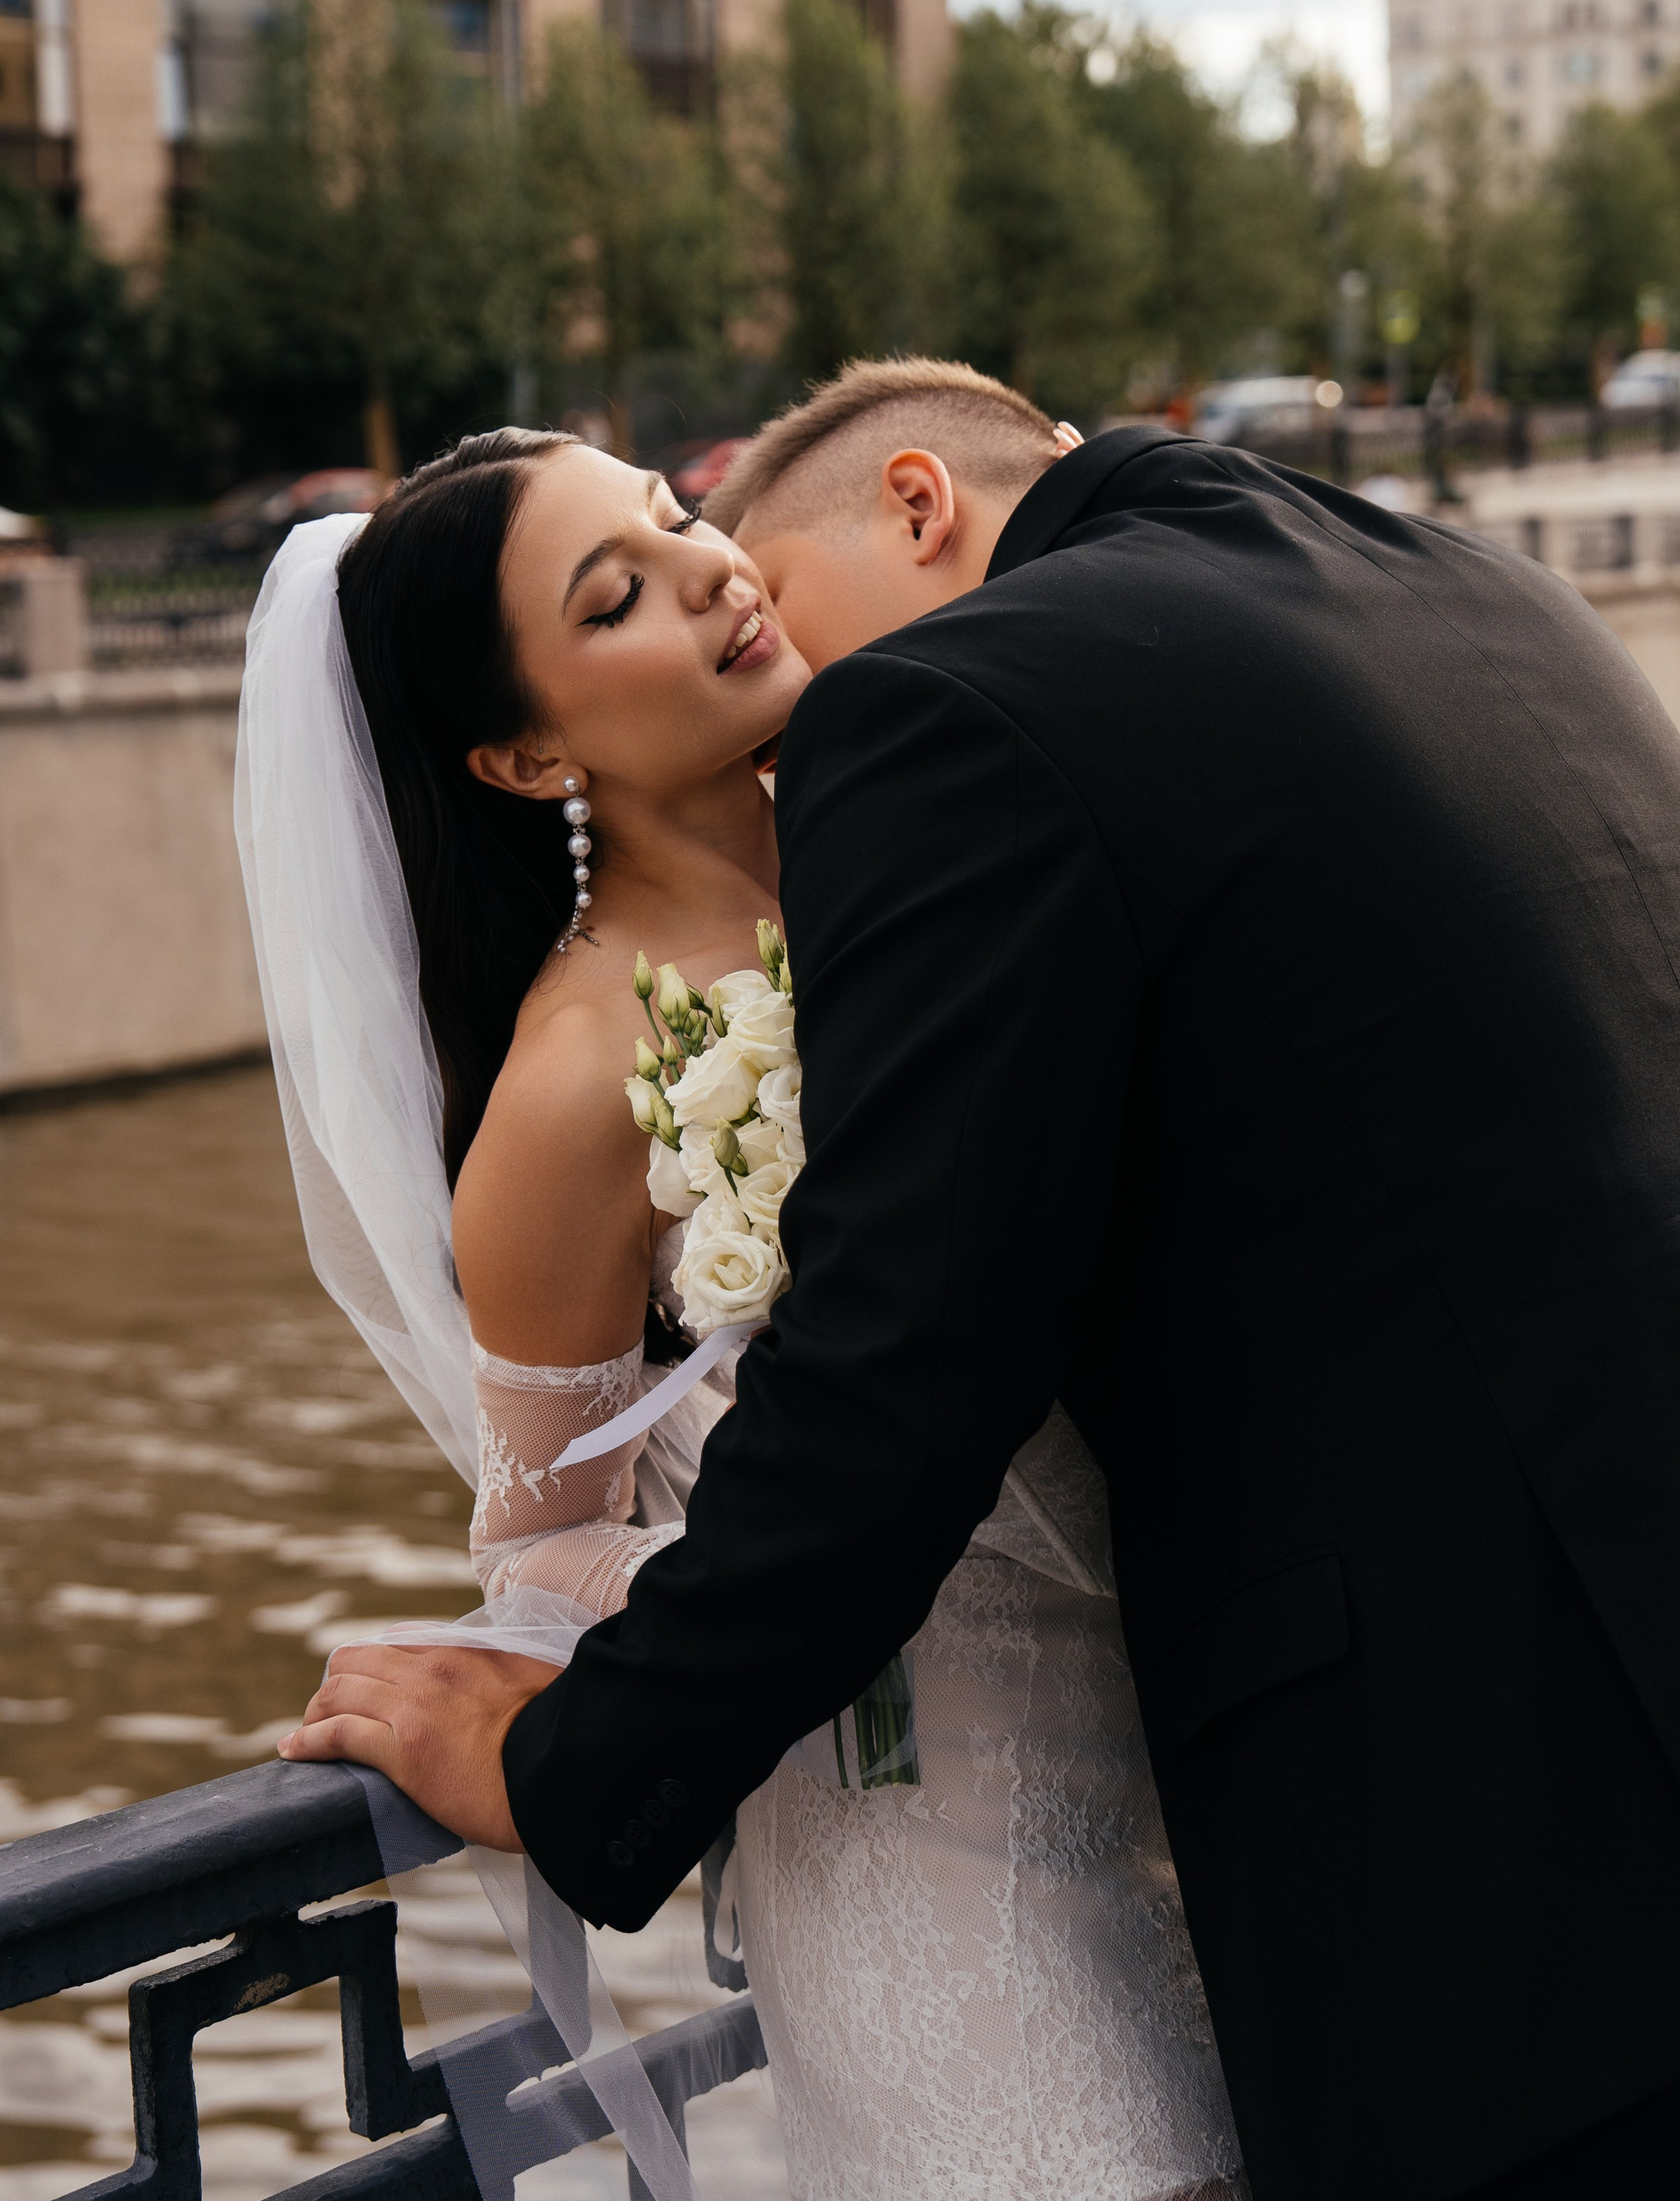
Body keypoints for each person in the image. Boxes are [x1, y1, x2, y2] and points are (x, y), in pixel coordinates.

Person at [285, 358, 1680, 2201]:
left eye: (698, 533)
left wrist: (579, 1773)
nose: (745, 618)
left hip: (1549, 1885)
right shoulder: (1469, 588)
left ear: (921, 509)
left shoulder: (958, 708)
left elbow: (902, 1371)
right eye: (626, 580)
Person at [241, 418, 1242, 2201]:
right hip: (927, 1866)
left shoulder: (921, 859)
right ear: (521, 746)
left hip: (1200, 1788)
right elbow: (542, 1542)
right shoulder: (570, 1081)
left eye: (678, 514)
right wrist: (784, 1561)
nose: (708, 565)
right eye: (616, 592)